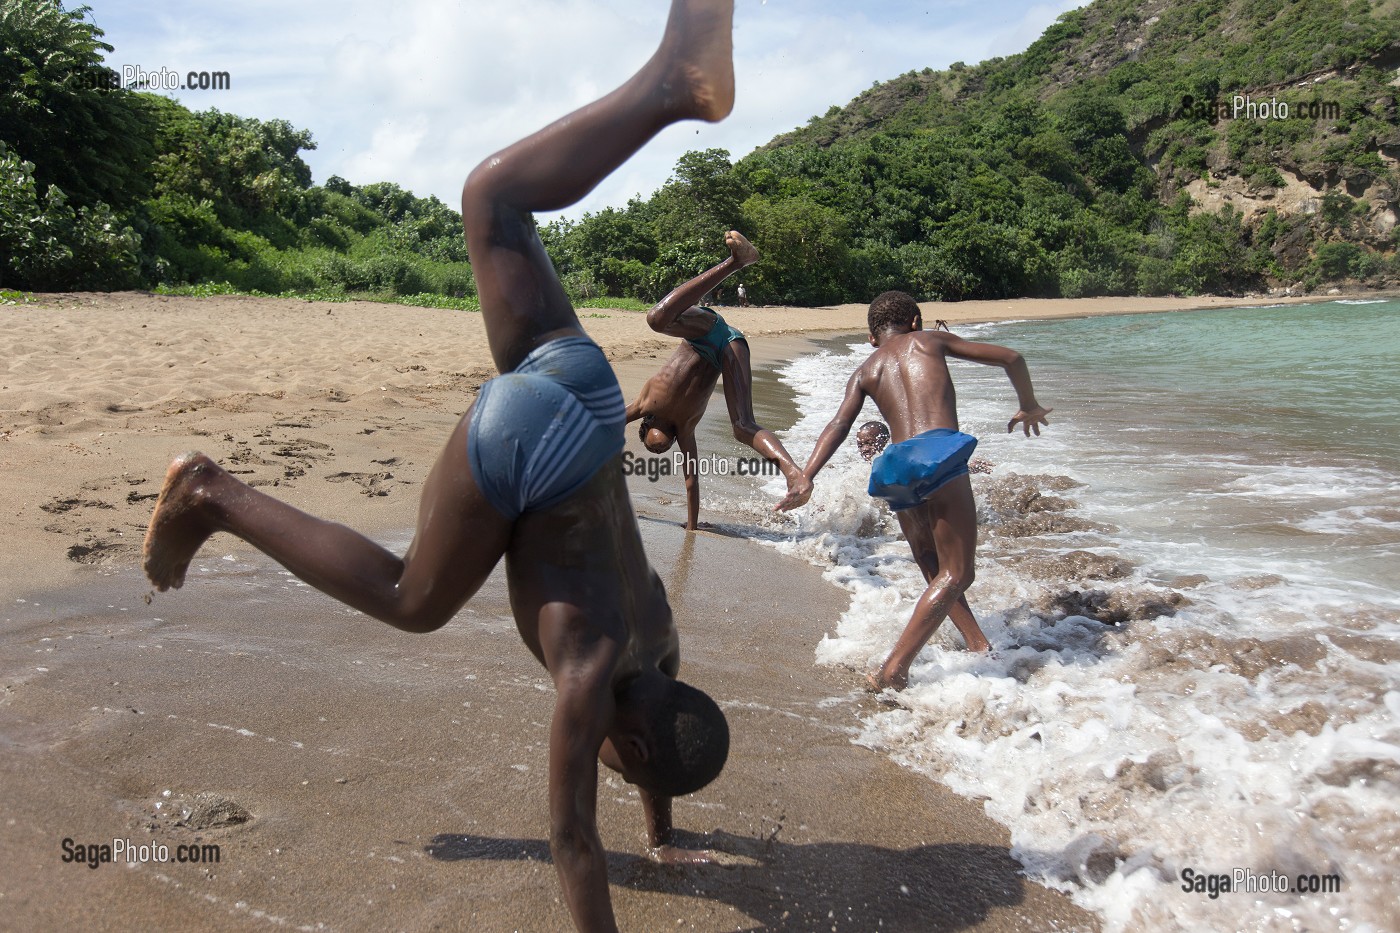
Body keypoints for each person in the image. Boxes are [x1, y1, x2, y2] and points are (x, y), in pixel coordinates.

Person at [142, 3, 736, 929]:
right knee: (411, 599)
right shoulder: (588, 672)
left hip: (583, 395)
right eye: (627, 765)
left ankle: (669, 85)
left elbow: (660, 727)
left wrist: (661, 829)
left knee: (492, 198)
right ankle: (210, 492)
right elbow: (574, 840)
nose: (610, 765)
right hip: (531, 441)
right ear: (627, 737)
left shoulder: (659, 639)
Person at [788, 290, 1051, 691]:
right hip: (938, 453)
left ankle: (977, 643)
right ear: (915, 322)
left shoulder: (865, 369)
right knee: (959, 572)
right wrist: (1028, 405)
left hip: (894, 467)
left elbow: (839, 426)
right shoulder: (930, 340)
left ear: (872, 338)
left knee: (932, 563)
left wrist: (806, 474)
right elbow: (1012, 358)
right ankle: (893, 669)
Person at [625, 231, 811, 529]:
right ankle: (793, 473)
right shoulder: (685, 429)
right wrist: (692, 526)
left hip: (702, 333)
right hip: (727, 349)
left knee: (657, 318)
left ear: (646, 424)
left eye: (650, 446)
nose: (658, 449)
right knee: (742, 427)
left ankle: (736, 262)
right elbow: (691, 480)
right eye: (661, 451)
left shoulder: (644, 403)